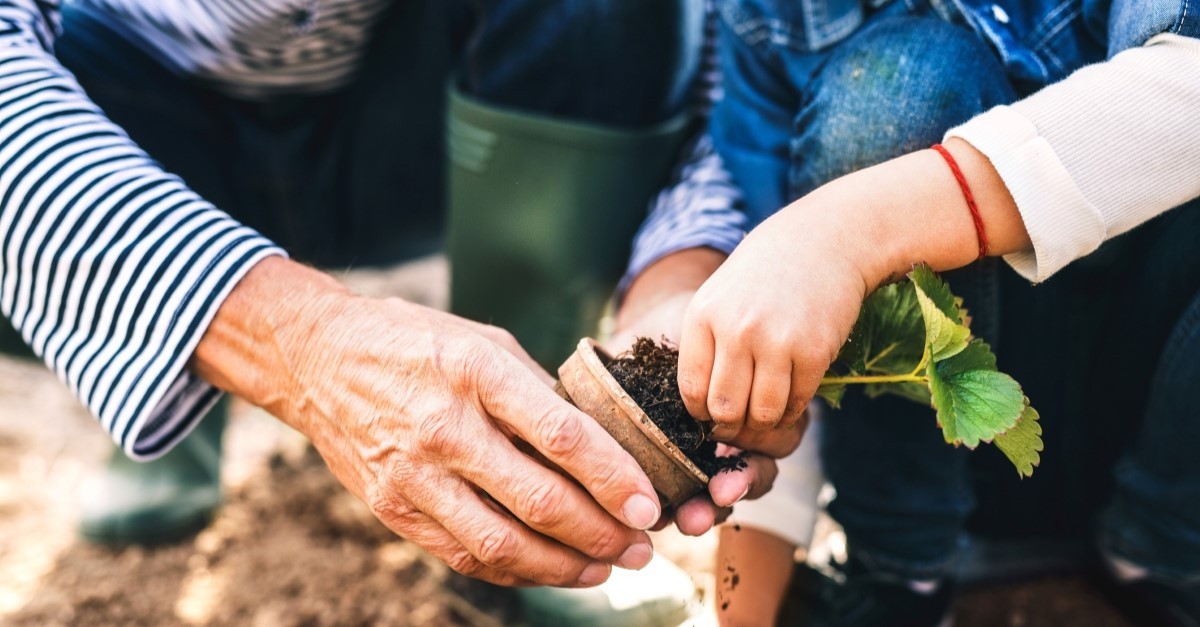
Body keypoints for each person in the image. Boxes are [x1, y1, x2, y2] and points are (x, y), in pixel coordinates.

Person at [0, 0, 797, 588]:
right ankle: (173, 392)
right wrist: (294, 342)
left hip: (415, 116)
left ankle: (526, 464)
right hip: (120, 107)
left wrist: (679, 278)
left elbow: (735, 57)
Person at [617, 0, 1200, 623]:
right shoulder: (766, 15)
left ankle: (1164, 555)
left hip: (1162, 404)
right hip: (935, 472)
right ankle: (899, 570)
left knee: (898, 78)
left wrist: (848, 233)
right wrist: (743, 609)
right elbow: (780, 314)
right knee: (893, 85)